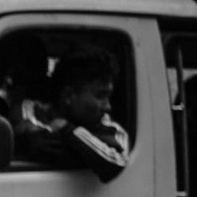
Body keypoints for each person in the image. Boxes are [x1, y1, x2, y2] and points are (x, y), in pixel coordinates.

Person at [19, 50, 131, 182]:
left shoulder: (110, 128)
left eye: (108, 97)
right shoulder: (32, 111)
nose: (108, 107)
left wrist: (68, 130)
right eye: (100, 96)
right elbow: (35, 143)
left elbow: (115, 162)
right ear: (69, 96)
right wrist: (90, 154)